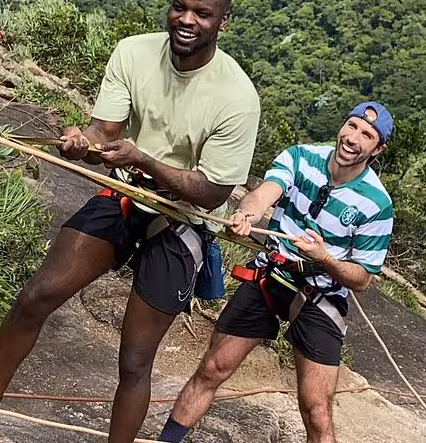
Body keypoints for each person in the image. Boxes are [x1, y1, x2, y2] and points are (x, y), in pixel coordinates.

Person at [0, 0, 259, 442]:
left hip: (183, 219)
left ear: (222, 21)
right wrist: (84, 138)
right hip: (124, 197)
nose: (187, 19)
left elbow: (212, 192)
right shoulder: (135, 53)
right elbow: (106, 131)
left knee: (136, 357)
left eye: (202, 13)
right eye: (179, 6)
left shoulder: (237, 96)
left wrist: (145, 161)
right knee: (37, 295)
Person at [157, 102, 395, 443]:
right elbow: (265, 194)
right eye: (352, 126)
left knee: (316, 410)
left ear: (378, 149)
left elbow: (362, 279)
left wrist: (324, 258)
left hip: (319, 295)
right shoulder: (300, 157)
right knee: (212, 368)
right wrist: (248, 215)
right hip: (271, 273)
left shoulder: (376, 203)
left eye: (367, 135)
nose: (353, 138)